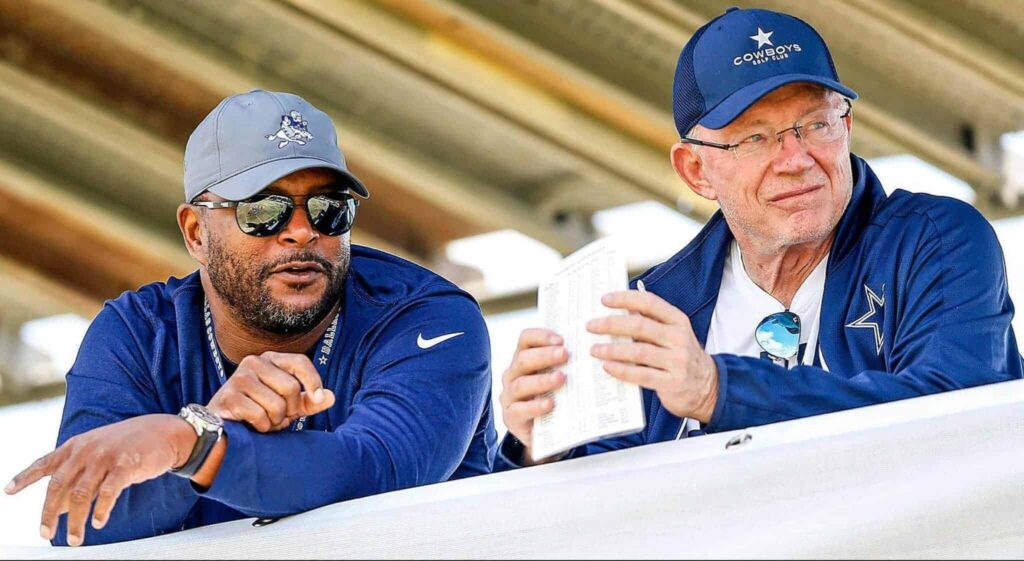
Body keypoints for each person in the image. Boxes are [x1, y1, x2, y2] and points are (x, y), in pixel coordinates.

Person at [497, 7, 1023, 468]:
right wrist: (541, 445)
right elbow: (594, 509)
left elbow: (957, 415)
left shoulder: (934, 241)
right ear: (696, 172)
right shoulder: (652, 312)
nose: (796, 161)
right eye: (755, 138)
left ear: (847, 127)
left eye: (815, 125)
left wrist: (718, 391)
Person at [4, 90, 496, 546]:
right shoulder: (137, 334)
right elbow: (80, 521)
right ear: (196, 232)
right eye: (264, 211)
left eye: (328, 209)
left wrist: (192, 443)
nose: (302, 233)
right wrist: (209, 424)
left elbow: (379, 467)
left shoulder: (425, 316)